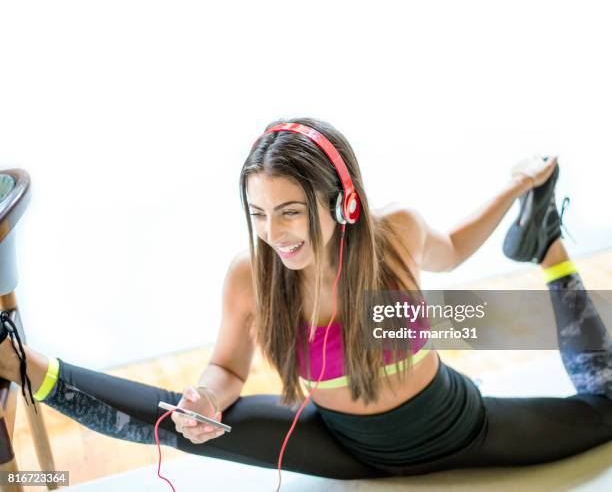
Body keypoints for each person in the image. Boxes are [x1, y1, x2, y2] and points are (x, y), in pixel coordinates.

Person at [1, 118, 611, 480]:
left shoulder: (392, 233)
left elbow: (450, 247)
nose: (274, 233)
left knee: (606, 407)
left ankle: (548, 245)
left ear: (341, 203)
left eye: (289, 212)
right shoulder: (250, 277)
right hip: (344, 444)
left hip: (461, 427)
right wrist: (207, 397)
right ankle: (21, 362)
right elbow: (229, 367)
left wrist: (515, 186)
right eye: (258, 214)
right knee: (181, 423)